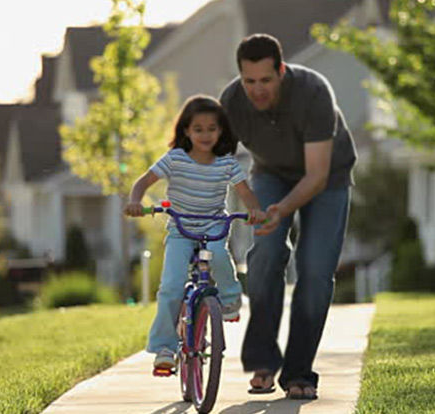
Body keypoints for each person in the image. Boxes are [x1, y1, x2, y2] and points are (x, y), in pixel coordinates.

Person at [219, 34, 357, 400]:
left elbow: (316, 175)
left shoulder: (313, 92)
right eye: (250, 81)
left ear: (281, 70)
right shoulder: (232, 101)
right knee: (265, 254)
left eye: (266, 80)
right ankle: (264, 359)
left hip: (327, 179)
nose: (257, 90)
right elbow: (218, 166)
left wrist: (282, 210)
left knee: (314, 271)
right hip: (270, 174)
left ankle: (299, 372)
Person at [124, 95, 267, 371]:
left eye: (211, 129)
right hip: (181, 229)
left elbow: (245, 193)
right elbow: (143, 181)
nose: (205, 134)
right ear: (186, 131)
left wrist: (255, 211)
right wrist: (135, 200)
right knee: (171, 287)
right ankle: (165, 348)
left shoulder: (226, 163)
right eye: (198, 129)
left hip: (213, 225)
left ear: (221, 131)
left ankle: (229, 299)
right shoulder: (175, 159)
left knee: (218, 255)